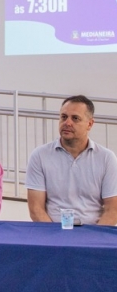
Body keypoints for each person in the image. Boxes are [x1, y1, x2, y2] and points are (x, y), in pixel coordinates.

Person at [26, 95, 117, 226]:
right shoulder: (40, 156)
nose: (67, 123)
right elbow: (36, 209)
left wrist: (93, 240)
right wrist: (56, 238)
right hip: (53, 232)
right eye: (64, 117)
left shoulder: (106, 158)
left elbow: (112, 210)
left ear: (90, 124)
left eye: (75, 118)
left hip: (92, 233)